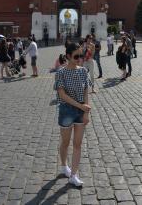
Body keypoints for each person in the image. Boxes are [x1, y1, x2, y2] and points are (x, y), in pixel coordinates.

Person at [54, 42, 91, 187]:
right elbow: (62, 95)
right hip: (66, 110)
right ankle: (64, 166)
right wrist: (80, 106)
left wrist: (85, 111)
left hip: (81, 110)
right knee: (65, 142)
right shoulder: (60, 73)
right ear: (68, 56)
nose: (79, 59)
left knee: (78, 144)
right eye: (76, 56)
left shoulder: (83, 71)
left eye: (81, 56)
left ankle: (74, 175)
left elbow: (86, 91)